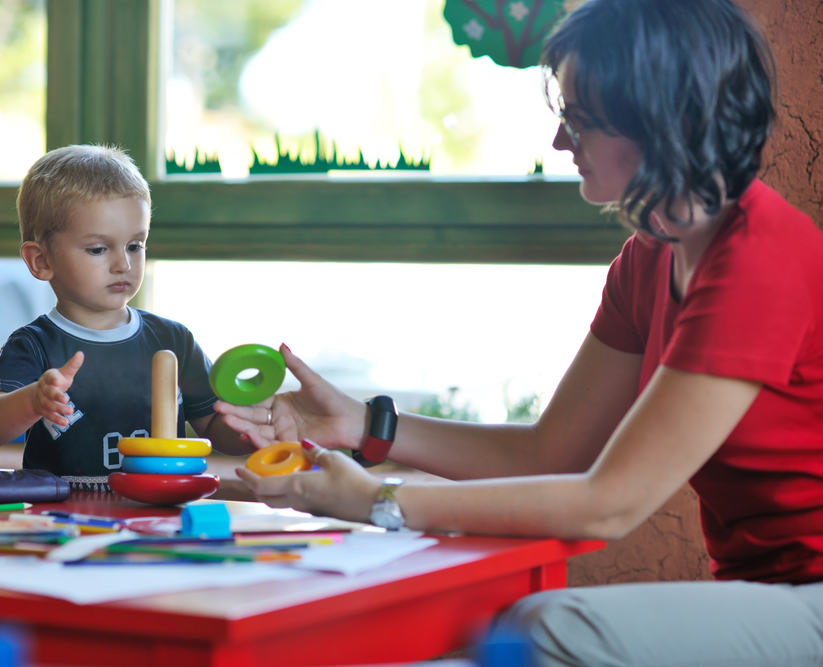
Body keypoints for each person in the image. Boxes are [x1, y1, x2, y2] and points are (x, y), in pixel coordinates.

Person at [216, 0, 823, 664]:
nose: (562, 145)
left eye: (580, 122)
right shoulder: (650, 258)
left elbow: (608, 504)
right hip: (768, 590)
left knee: (546, 626)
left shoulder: (758, 258)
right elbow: (552, 452)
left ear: (667, 121)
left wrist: (378, 499)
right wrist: (366, 425)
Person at [0, 145, 249, 492]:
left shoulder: (174, 340)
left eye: (135, 245)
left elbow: (215, 429)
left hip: (160, 524)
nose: (124, 265)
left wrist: (256, 429)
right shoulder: (33, 345)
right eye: (99, 249)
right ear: (41, 260)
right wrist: (32, 401)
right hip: (64, 526)